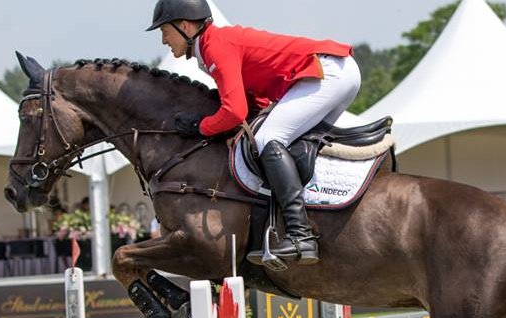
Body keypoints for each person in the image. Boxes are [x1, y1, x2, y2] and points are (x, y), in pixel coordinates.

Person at [148, 0, 361, 265]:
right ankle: (309, 222)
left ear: (184, 26)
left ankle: (300, 235)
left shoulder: (216, 45)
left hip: (327, 73)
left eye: (164, 31)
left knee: (267, 139)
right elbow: (254, 100)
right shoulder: (210, 47)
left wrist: (200, 126)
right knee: (289, 144)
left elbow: (234, 111)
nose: (164, 41)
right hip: (332, 72)